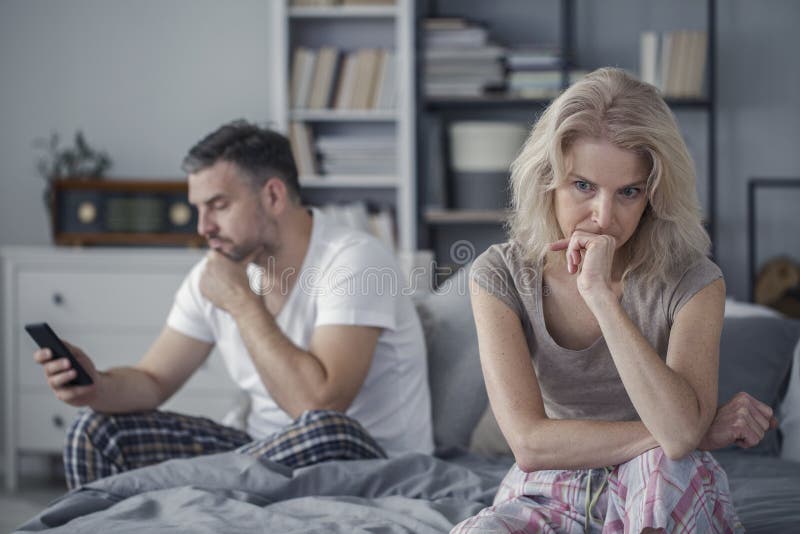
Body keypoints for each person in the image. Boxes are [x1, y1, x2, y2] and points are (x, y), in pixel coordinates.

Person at [453, 68, 776, 533]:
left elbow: (677, 441)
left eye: (628, 192)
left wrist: (601, 296)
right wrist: (694, 432)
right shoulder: (499, 275)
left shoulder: (695, 281)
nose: (603, 217)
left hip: (661, 476)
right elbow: (530, 444)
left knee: (662, 467)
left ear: (654, 194)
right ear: (548, 178)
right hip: (548, 485)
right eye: (583, 186)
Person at [34, 120, 433, 489]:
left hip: (373, 463)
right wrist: (95, 384)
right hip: (263, 452)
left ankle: (206, 488)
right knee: (95, 431)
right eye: (198, 209)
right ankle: (217, 486)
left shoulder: (354, 260)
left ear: (273, 195)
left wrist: (242, 301)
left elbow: (318, 404)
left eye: (218, 206)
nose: (203, 227)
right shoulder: (214, 275)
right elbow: (153, 381)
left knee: (327, 428)